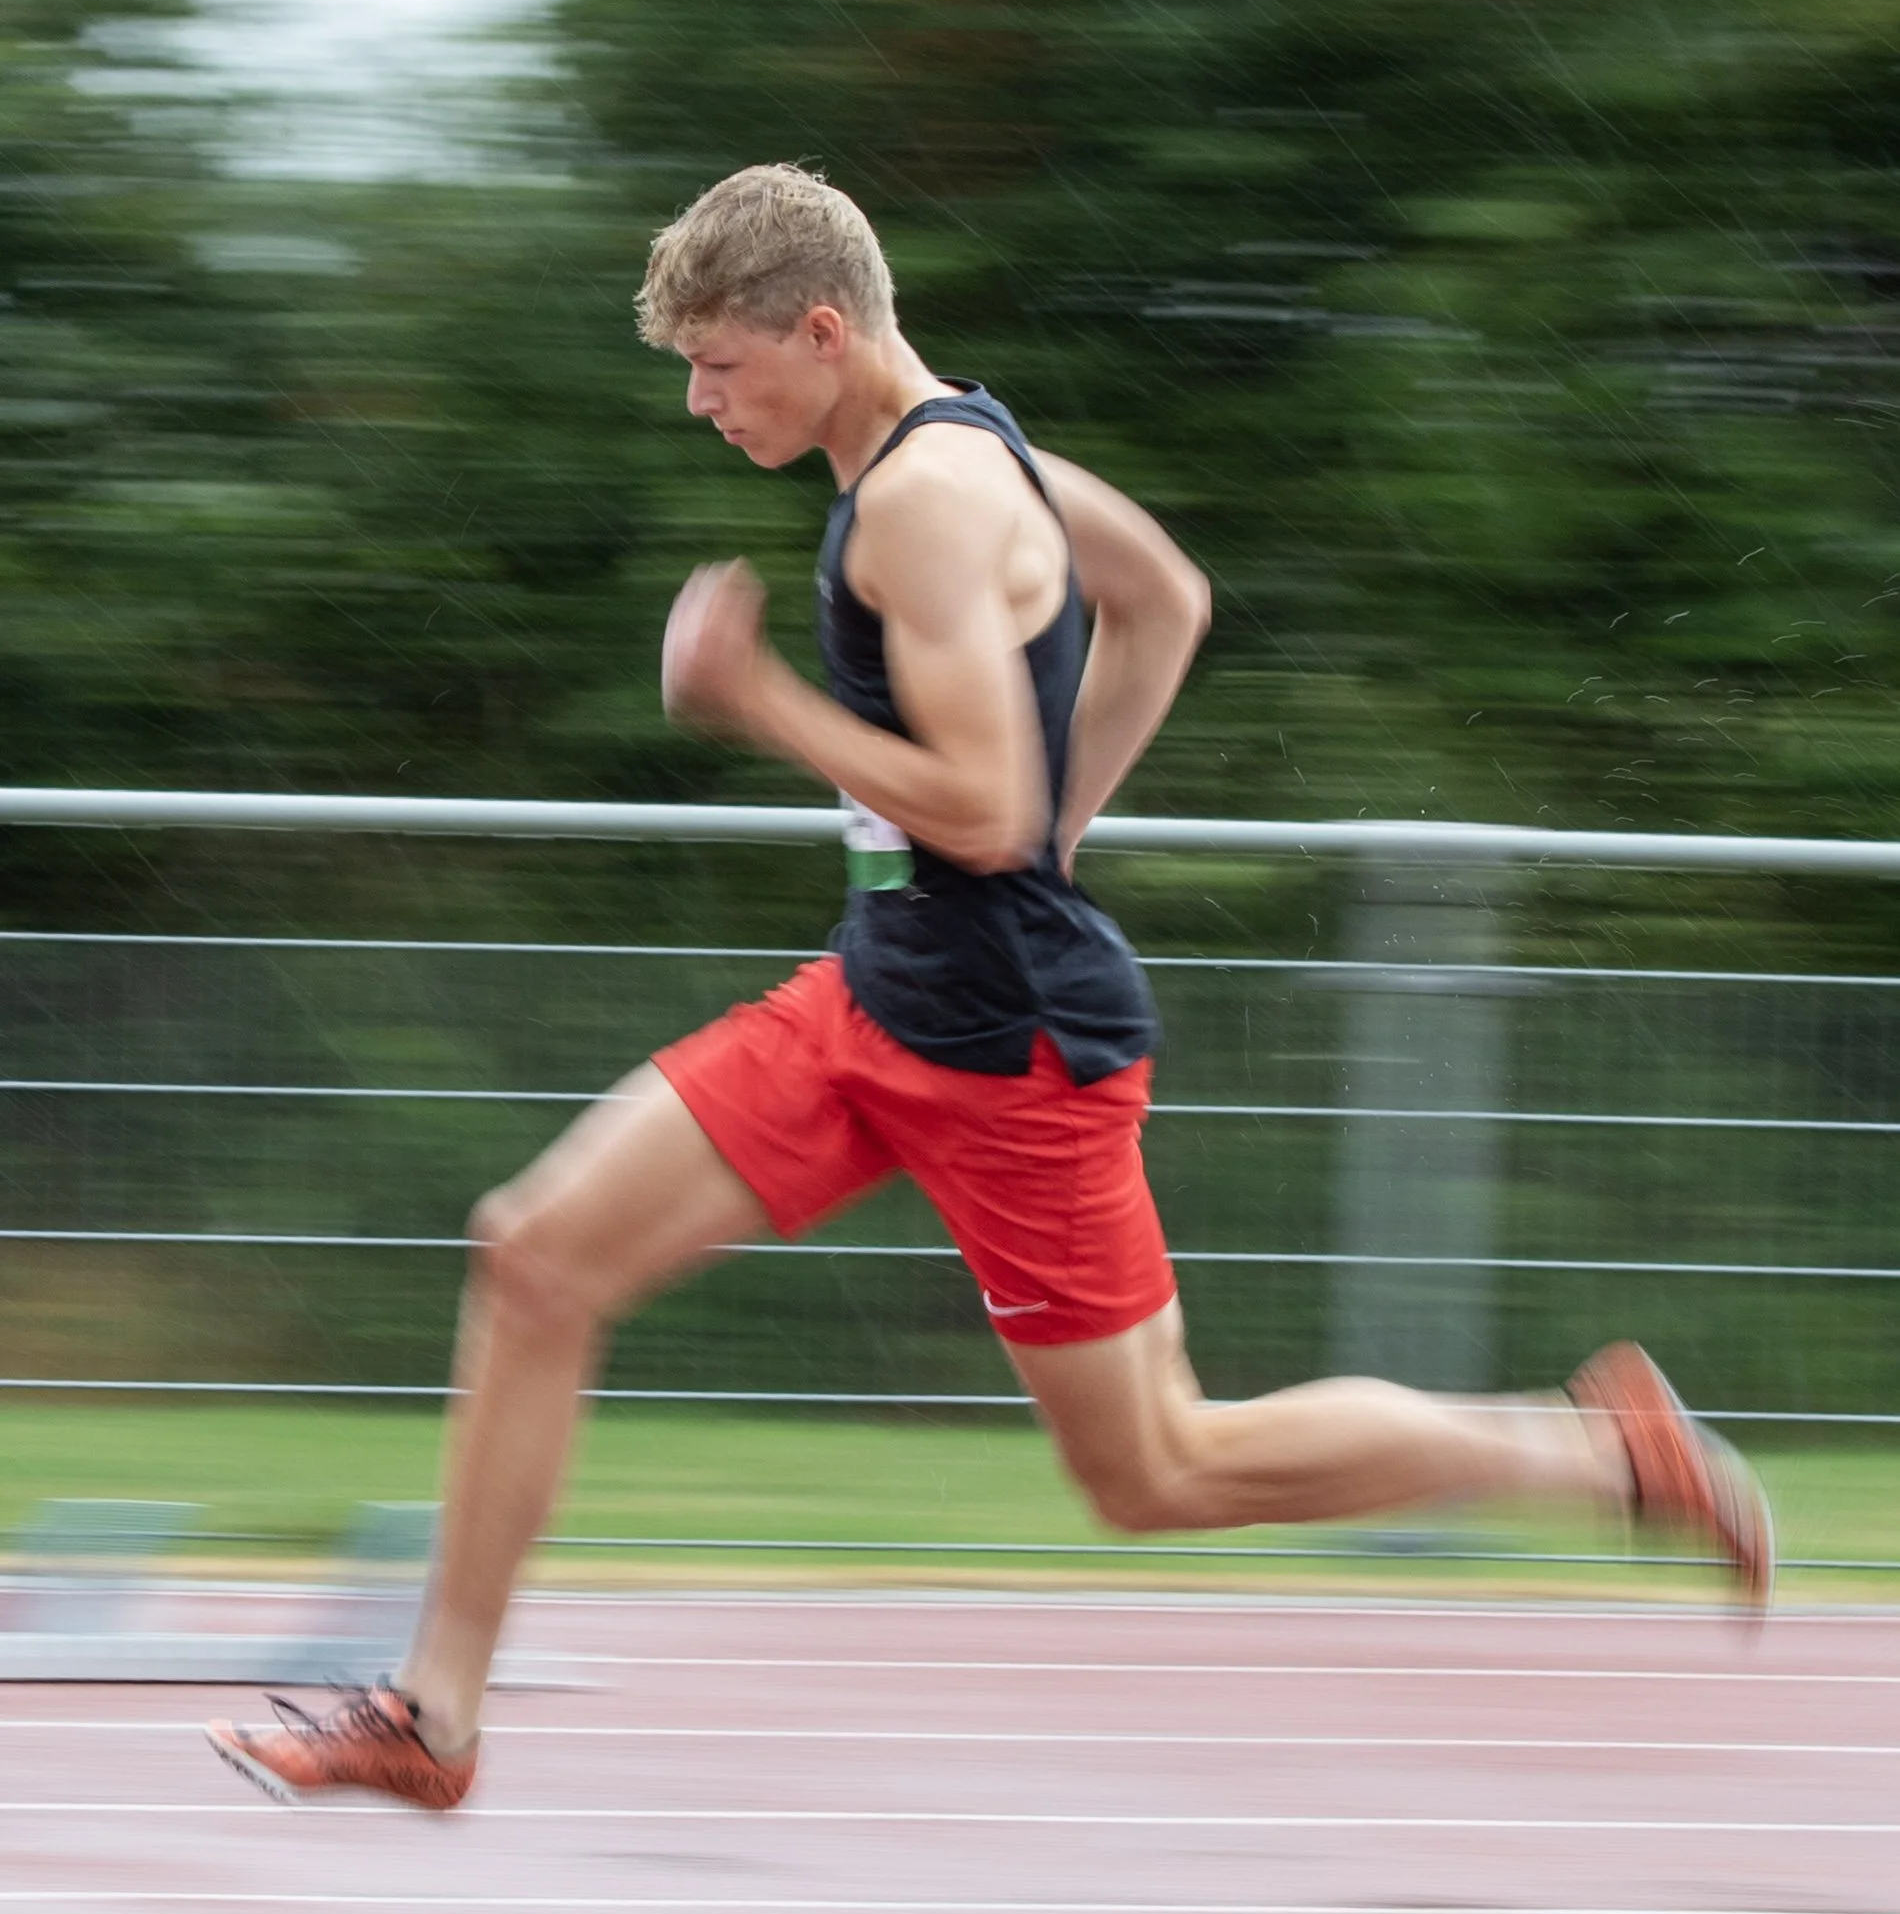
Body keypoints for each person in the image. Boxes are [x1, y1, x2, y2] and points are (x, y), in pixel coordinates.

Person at [206, 166, 1772, 1811]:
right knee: (534, 1254)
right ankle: (434, 1716)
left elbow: (980, 802)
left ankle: (1602, 1455)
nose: (699, 399)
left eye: (723, 365)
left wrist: (762, 699)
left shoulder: (925, 503)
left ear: (821, 330)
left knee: (1159, 1467)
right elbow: (1165, 597)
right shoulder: (966, 444)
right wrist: (1055, 832)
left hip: (1007, 1049)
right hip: (878, 996)